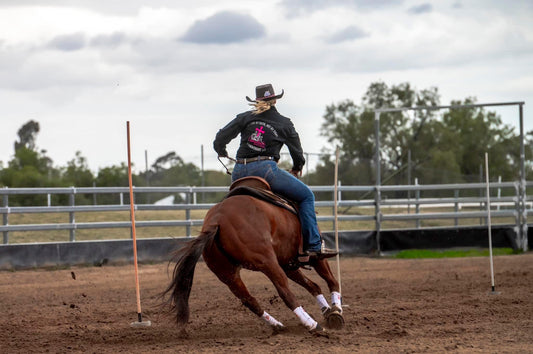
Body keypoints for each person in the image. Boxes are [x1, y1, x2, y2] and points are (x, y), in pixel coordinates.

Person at [213, 83, 337, 259]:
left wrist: (221, 151)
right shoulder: (284, 123)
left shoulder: (245, 117)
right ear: (275, 100)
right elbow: (297, 152)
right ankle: (314, 245)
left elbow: (220, 137)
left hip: (239, 171)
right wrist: (297, 167)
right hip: (266, 170)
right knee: (307, 196)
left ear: (256, 101)